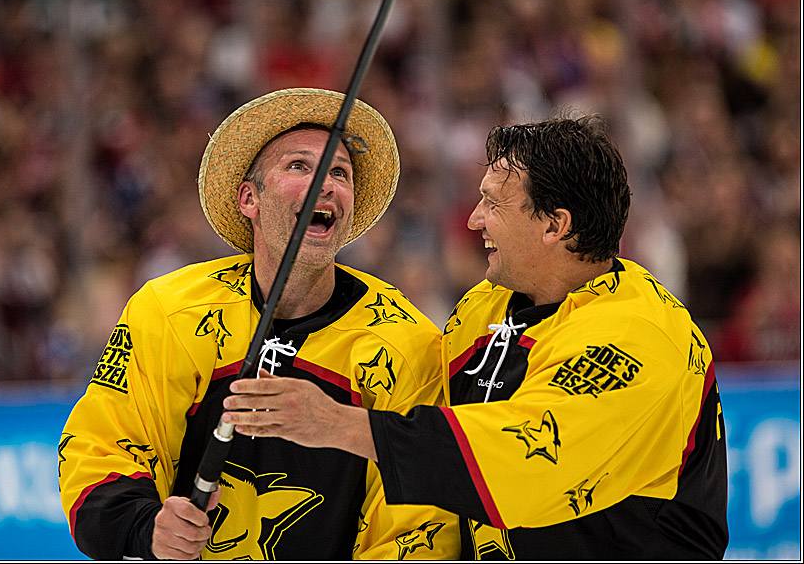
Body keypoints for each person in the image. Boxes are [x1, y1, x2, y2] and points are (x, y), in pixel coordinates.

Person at [223, 115, 729, 559]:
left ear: (555, 225)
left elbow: (525, 462)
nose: (474, 219)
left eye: (493, 203)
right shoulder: (481, 308)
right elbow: (420, 418)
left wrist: (337, 423)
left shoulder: (641, 336)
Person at [58, 87, 460, 560]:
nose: (325, 184)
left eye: (339, 172)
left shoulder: (408, 344)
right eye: (299, 166)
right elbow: (100, 447)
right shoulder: (169, 311)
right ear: (250, 198)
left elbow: (421, 526)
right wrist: (147, 528)